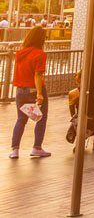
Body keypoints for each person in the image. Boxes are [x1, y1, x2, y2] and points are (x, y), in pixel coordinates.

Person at [10, 26, 49, 158]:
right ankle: (37, 148)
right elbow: (38, 75)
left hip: (20, 91)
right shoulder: (40, 54)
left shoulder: (20, 54)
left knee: (21, 120)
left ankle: (14, 150)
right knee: (41, 119)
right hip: (34, 90)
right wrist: (39, 93)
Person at [67, 71, 94, 152]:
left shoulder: (73, 93)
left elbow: (72, 112)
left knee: (75, 120)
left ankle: (79, 142)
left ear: (78, 79)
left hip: (80, 122)